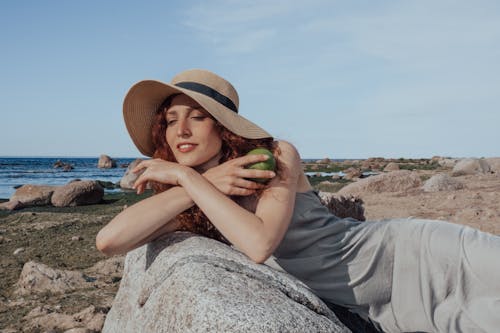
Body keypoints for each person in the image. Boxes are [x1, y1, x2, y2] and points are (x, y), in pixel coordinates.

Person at [96, 69, 500, 333]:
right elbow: (109, 241)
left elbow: (259, 243)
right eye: (170, 120)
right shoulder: (196, 196)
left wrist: (185, 176)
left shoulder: (273, 155)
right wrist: (198, 183)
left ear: (223, 127)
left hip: (414, 254)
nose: (180, 130)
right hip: (384, 309)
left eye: (197, 117)